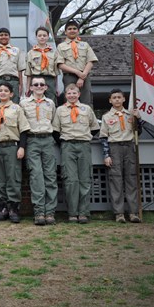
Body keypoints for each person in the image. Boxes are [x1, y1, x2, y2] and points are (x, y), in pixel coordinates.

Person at [52, 83, 100, 224]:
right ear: (65, 95)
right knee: (71, 180)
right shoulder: (60, 110)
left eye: (74, 93)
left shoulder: (86, 109)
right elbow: (55, 131)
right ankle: (72, 213)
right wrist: (65, 143)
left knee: (84, 179)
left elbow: (95, 128)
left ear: (79, 94)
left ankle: (83, 212)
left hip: (84, 145)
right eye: (69, 93)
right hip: (67, 146)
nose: (72, 95)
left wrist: (83, 136)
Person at [99, 89, 143, 223]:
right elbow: (103, 137)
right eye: (114, 97)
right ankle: (119, 213)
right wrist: (106, 155)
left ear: (124, 99)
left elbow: (138, 132)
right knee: (116, 180)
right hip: (115, 148)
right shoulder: (106, 117)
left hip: (129, 147)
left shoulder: (131, 114)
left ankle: (133, 212)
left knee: (131, 180)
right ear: (110, 100)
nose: (117, 99)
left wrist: (138, 118)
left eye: (119, 97)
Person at [20, 76, 58, 226]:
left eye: (42, 84)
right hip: (32, 140)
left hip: (48, 140)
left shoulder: (51, 103)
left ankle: (50, 212)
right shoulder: (23, 104)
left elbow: (54, 123)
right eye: (36, 84)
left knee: (50, 176)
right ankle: (39, 212)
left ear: (46, 87)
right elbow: (22, 126)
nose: (39, 86)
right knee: (36, 176)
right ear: (31, 87)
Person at [0, 82, 30, 223]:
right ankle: (3, 208)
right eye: (0, 90)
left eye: (6, 91)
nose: (2, 93)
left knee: (13, 177)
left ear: (11, 94)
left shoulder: (16, 109)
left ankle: (14, 209)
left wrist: (22, 147)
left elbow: (24, 129)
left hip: (12, 146)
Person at [57, 20, 98, 106]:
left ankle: (87, 119)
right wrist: (76, 72)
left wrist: (82, 76)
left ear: (78, 31)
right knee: (70, 99)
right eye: (69, 29)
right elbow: (60, 64)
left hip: (84, 76)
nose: (72, 30)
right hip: (69, 76)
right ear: (65, 32)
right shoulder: (61, 46)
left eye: (74, 28)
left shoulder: (85, 45)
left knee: (86, 100)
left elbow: (91, 60)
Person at [0, 27, 25, 104]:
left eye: (6, 35)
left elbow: (20, 69)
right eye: (1, 35)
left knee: (14, 102)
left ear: (9, 37)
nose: (3, 37)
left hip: (14, 81)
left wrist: (20, 84)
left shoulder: (16, 50)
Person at [25, 27, 59, 103]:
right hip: (36, 79)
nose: (42, 37)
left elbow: (56, 72)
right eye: (40, 35)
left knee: (50, 102)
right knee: (35, 102)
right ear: (36, 37)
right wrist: (27, 88)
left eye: (44, 35)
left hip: (49, 80)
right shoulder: (31, 53)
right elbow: (28, 72)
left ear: (48, 37)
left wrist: (56, 87)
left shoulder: (53, 53)